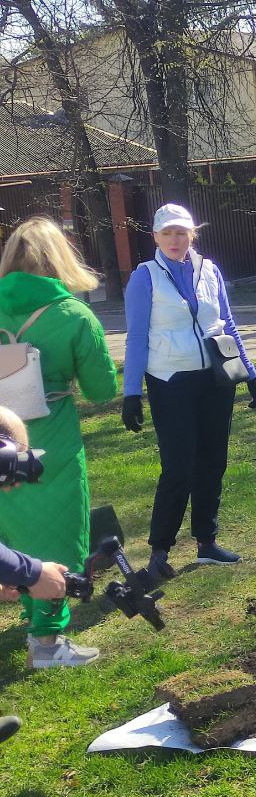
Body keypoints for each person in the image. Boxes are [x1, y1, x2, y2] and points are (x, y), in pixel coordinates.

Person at [122, 204, 256, 580]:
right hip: (170, 381)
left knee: (212, 461)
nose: (175, 240)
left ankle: (207, 542)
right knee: (178, 467)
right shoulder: (145, 278)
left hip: (215, 379)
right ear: (155, 236)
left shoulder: (209, 270)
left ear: (192, 235)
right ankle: (159, 551)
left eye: (181, 233)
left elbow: (227, 323)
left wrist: (249, 374)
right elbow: (136, 336)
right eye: (167, 233)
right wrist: (131, 392)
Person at [0, 220, 117, 667]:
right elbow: (102, 388)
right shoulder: (72, 315)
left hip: (0, 438)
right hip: (52, 444)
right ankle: (47, 643)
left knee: (13, 532)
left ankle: (28, 607)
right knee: (58, 535)